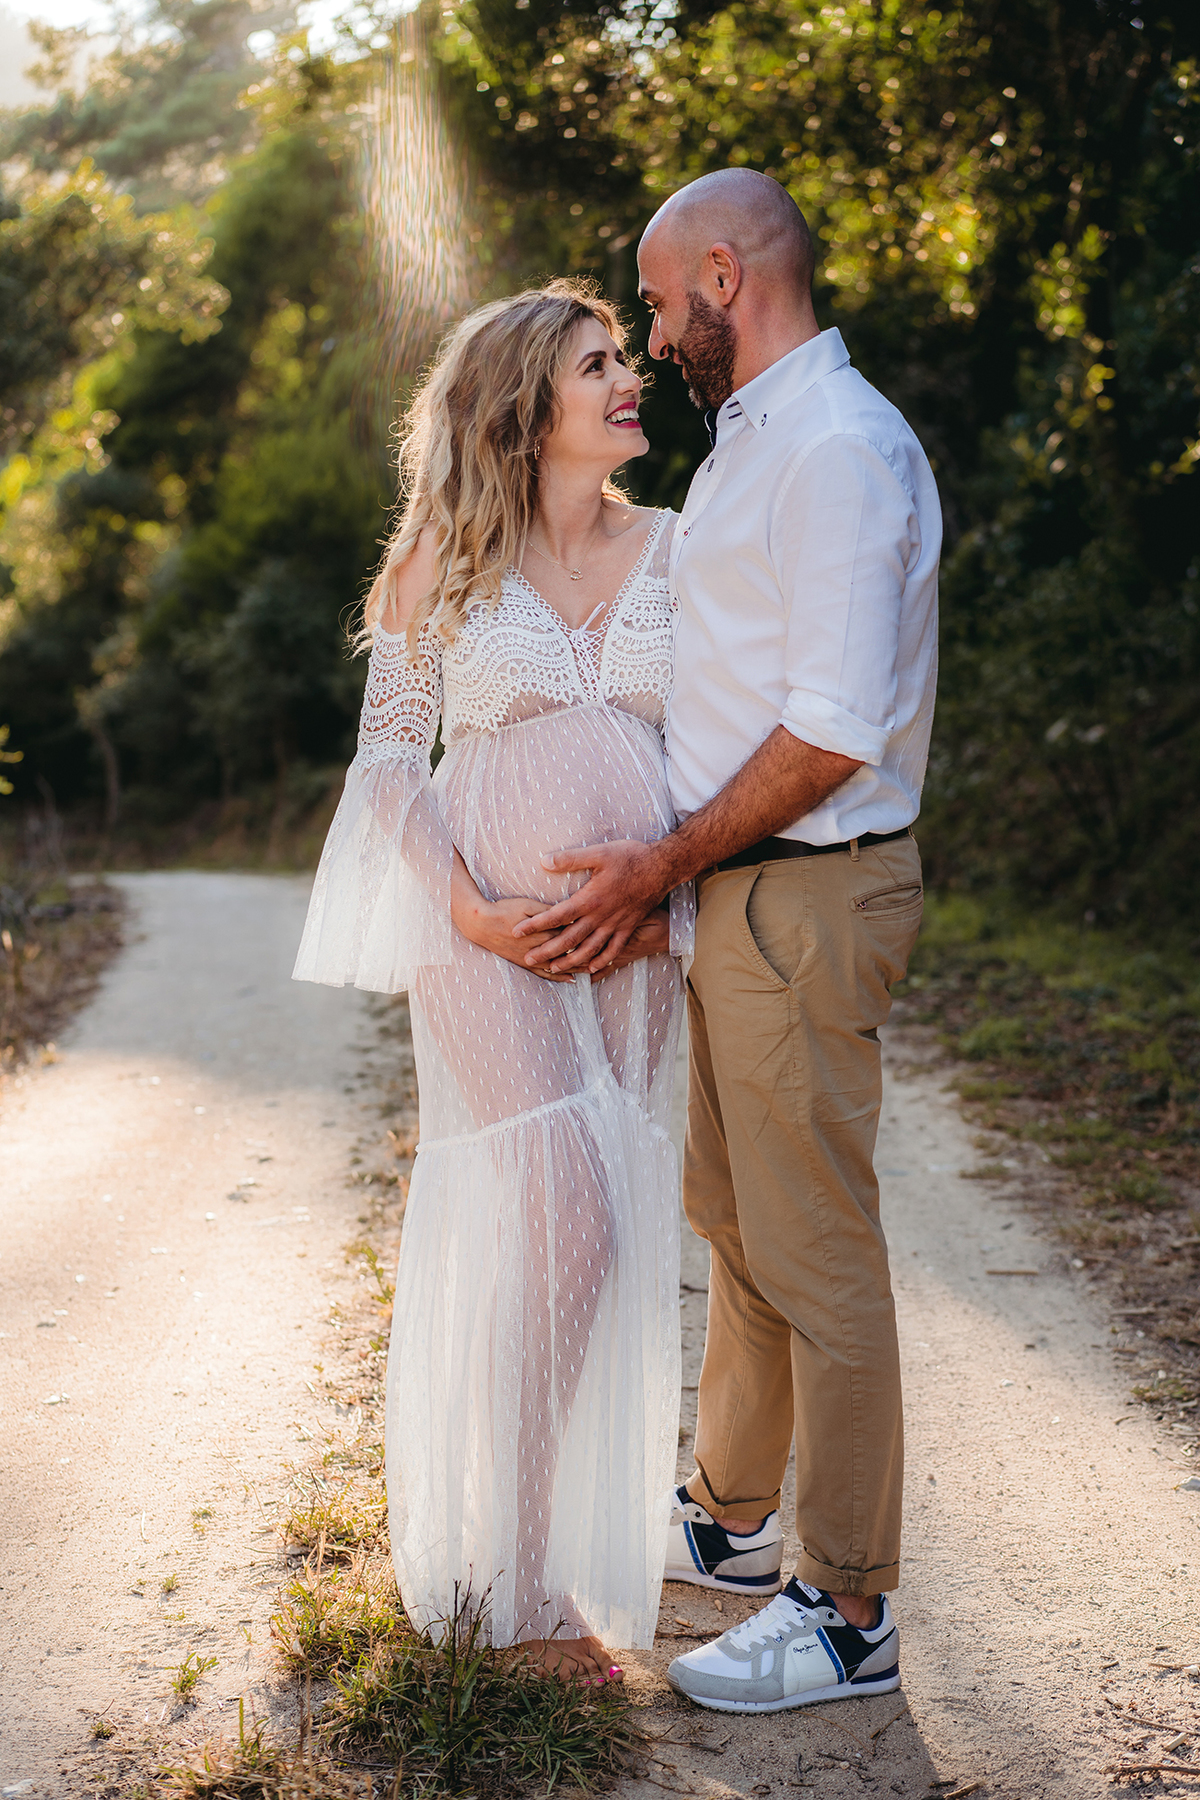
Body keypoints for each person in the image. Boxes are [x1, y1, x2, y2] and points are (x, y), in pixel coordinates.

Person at [515, 170, 941, 1713]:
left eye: (649, 301)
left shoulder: (838, 449)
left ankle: (847, 1609)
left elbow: (830, 728)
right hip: (736, 896)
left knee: (818, 1255)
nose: (643, 332)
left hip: (802, 890)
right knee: (742, 1226)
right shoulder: (756, 439)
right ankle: (734, 1516)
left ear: (718, 275)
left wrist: (659, 864)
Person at [293, 280, 692, 1684]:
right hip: (479, 933)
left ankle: (572, 1546)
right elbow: (392, 763)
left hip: (641, 938)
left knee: (611, 1227)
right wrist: (470, 911)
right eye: (598, 365)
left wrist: (666, 902)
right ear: (527, 408)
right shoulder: (441, 562)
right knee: (564, 1219)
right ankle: (515, 1581)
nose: (629, 378)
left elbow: (714, 760)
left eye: (621, 360)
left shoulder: (684, 551)